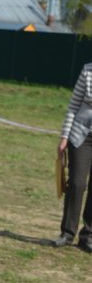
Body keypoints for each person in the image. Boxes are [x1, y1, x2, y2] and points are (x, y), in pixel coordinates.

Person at [54, 62, 92, 251]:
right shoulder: (87, 70)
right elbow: (73, 105)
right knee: (77, 183)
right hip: (81, 135)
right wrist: (64, 137)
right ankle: (67, 233)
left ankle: (88, 236)